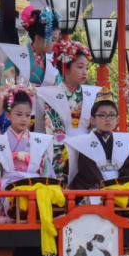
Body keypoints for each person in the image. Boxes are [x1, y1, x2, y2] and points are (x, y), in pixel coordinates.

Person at [0, 85, 54, 200]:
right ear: (8, 115)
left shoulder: (39, 142)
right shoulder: (0, 144)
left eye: (27, 115)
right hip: (9, 189)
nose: (24, 119)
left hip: (35, 188)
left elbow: (47, 172)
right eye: (19, 114)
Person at [37, 39, 99, 172]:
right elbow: (53, 128)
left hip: (89, 150)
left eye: (86, 68)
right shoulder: (50, 96)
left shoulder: (94, 94)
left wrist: (88, 145)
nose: (85, 72)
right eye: (80, 67)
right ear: (66, 67)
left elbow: (97, 125)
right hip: (61, 150)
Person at [65, 99, 129, 191]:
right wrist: (105, 190)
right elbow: (88, 173)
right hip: (93, 190)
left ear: (117, 120)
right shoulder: (83, 144)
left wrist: (122, 188)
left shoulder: (125, 142)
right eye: (102, 115)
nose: (107, 119)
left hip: (120, 190)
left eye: (112, 115)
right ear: (93, 120)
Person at [0, 5, 58, 88]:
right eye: (53, 40)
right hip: (21, 99)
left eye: (57, 40)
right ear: (38, 38)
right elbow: (5, 85)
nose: (56, 44)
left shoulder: (55, 59)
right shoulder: (15, 56)